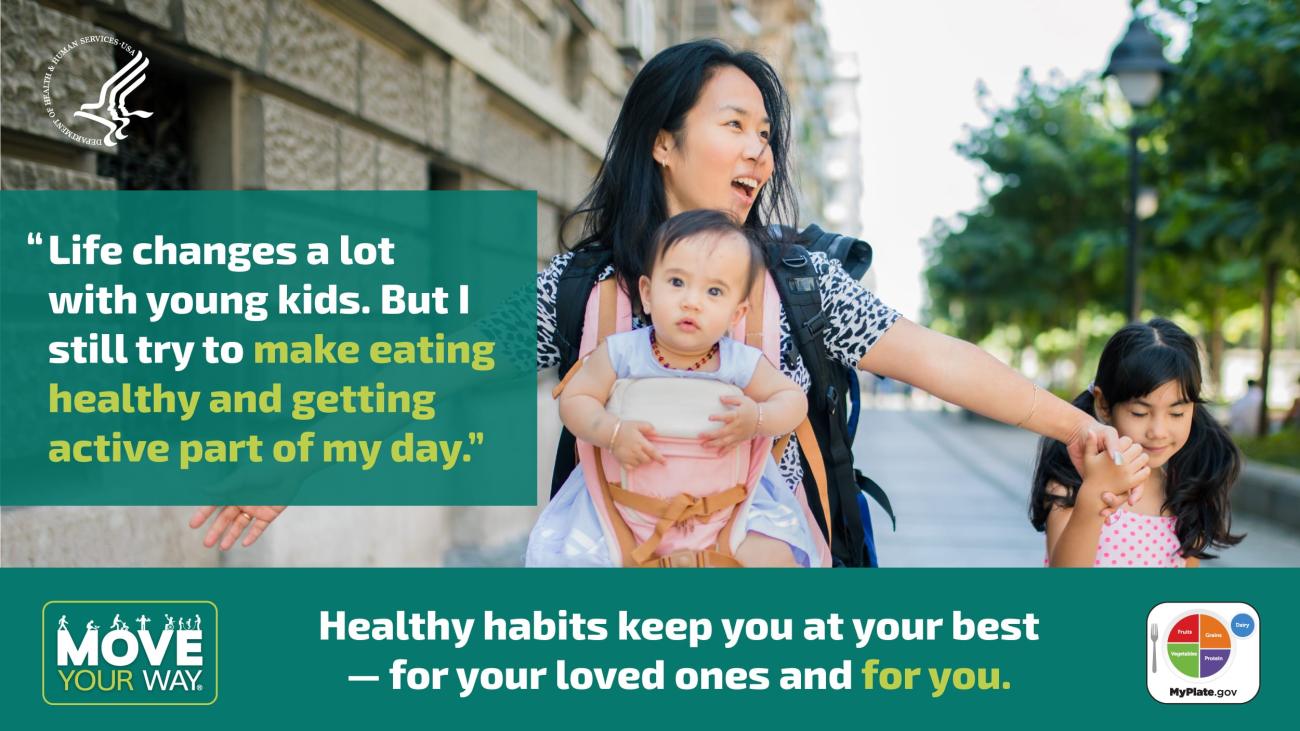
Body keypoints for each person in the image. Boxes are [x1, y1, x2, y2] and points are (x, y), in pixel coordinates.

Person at [194, 39, 1132, 555]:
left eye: (767, 133)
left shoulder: (796, 281)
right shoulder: (580, 288)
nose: (761, 152)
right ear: (663, 142)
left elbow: (934, 356)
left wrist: (1074, 422)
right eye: (735, 125)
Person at [529, 210, 819, 567]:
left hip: (730, 509)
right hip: (623, 507)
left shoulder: (740, 364)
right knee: (581, 563)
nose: (692, 301)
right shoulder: (622, 354)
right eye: (677, 283)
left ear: (736, 314)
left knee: (774, 558)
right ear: (647, 294)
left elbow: (793, 401)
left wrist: (758, 418)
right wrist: (611, 431)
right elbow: (576, 400)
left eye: (714, 291)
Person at [1030, 319, 1243, 568]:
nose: (1158, 431)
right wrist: (1093, 495)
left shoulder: (1186, 486)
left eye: (1176, 413)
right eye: (1140, 413)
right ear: (1104, 405)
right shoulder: (1071, 483)